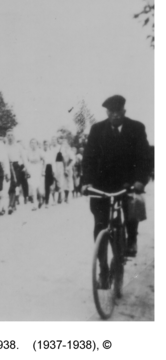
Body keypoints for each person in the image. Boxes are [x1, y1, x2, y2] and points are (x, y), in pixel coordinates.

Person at [82, 95, 151, 260]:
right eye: (111, 111)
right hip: (101, 184)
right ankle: (103, 269)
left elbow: (144, 157)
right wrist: (86, 182)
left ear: (124, 111)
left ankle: (132, 239)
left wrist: (140, 180)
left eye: (118, 111)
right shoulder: (97, 129)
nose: (115, 115)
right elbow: (89, 158)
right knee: (99, 224)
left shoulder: (136, 128)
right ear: (107, 112)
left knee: (131, 209)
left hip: (127, 183)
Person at [6, 129, 28, 214]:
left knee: (14, 185)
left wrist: (26, 168)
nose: (10, 137)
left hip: (16, 166)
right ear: (6, 136)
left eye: (11, 135)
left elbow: (24, 158)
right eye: (8, 135)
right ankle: (13, 204)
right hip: (7, 166)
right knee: (9, 185)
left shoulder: (18, 146)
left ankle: (10, 205)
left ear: (14, 136)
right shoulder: (5, 146)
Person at [25, 139, 45, 210]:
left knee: (39, 187)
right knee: (33, 187)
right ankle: (35, 205)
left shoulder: (40, 151)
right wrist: (26, 170)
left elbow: (44, 160)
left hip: (38, 169)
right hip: (31, 169)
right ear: (30, 144)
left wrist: (43, 170)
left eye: (34, 143)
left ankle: (41, 199)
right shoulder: (28, 152)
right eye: (31, 143)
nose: (33, 144)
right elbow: (26, 161)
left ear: (37, 144)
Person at [53, 135, 74, 203]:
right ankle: (60, 197)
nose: (61, 142)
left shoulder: (69, 150)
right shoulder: (59, 148)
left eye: (63, 141)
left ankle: (66, 197)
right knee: (60, 181)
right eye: (60, 140)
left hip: (67, 166)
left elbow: (73, 159)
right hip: (60, 166)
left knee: (67, 182)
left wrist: (68, 167)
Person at [41, 140, 56, 207]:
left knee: (50, 185)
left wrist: (54, 171)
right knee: (44, 186)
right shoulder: (41, 152)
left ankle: (51, 200)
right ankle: (45, 201)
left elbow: (53, 162)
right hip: (42, 169)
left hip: (49, 168)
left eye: (47, 144)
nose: (46, 146)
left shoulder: (51, 152)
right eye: (45, 144)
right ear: (43, 145)